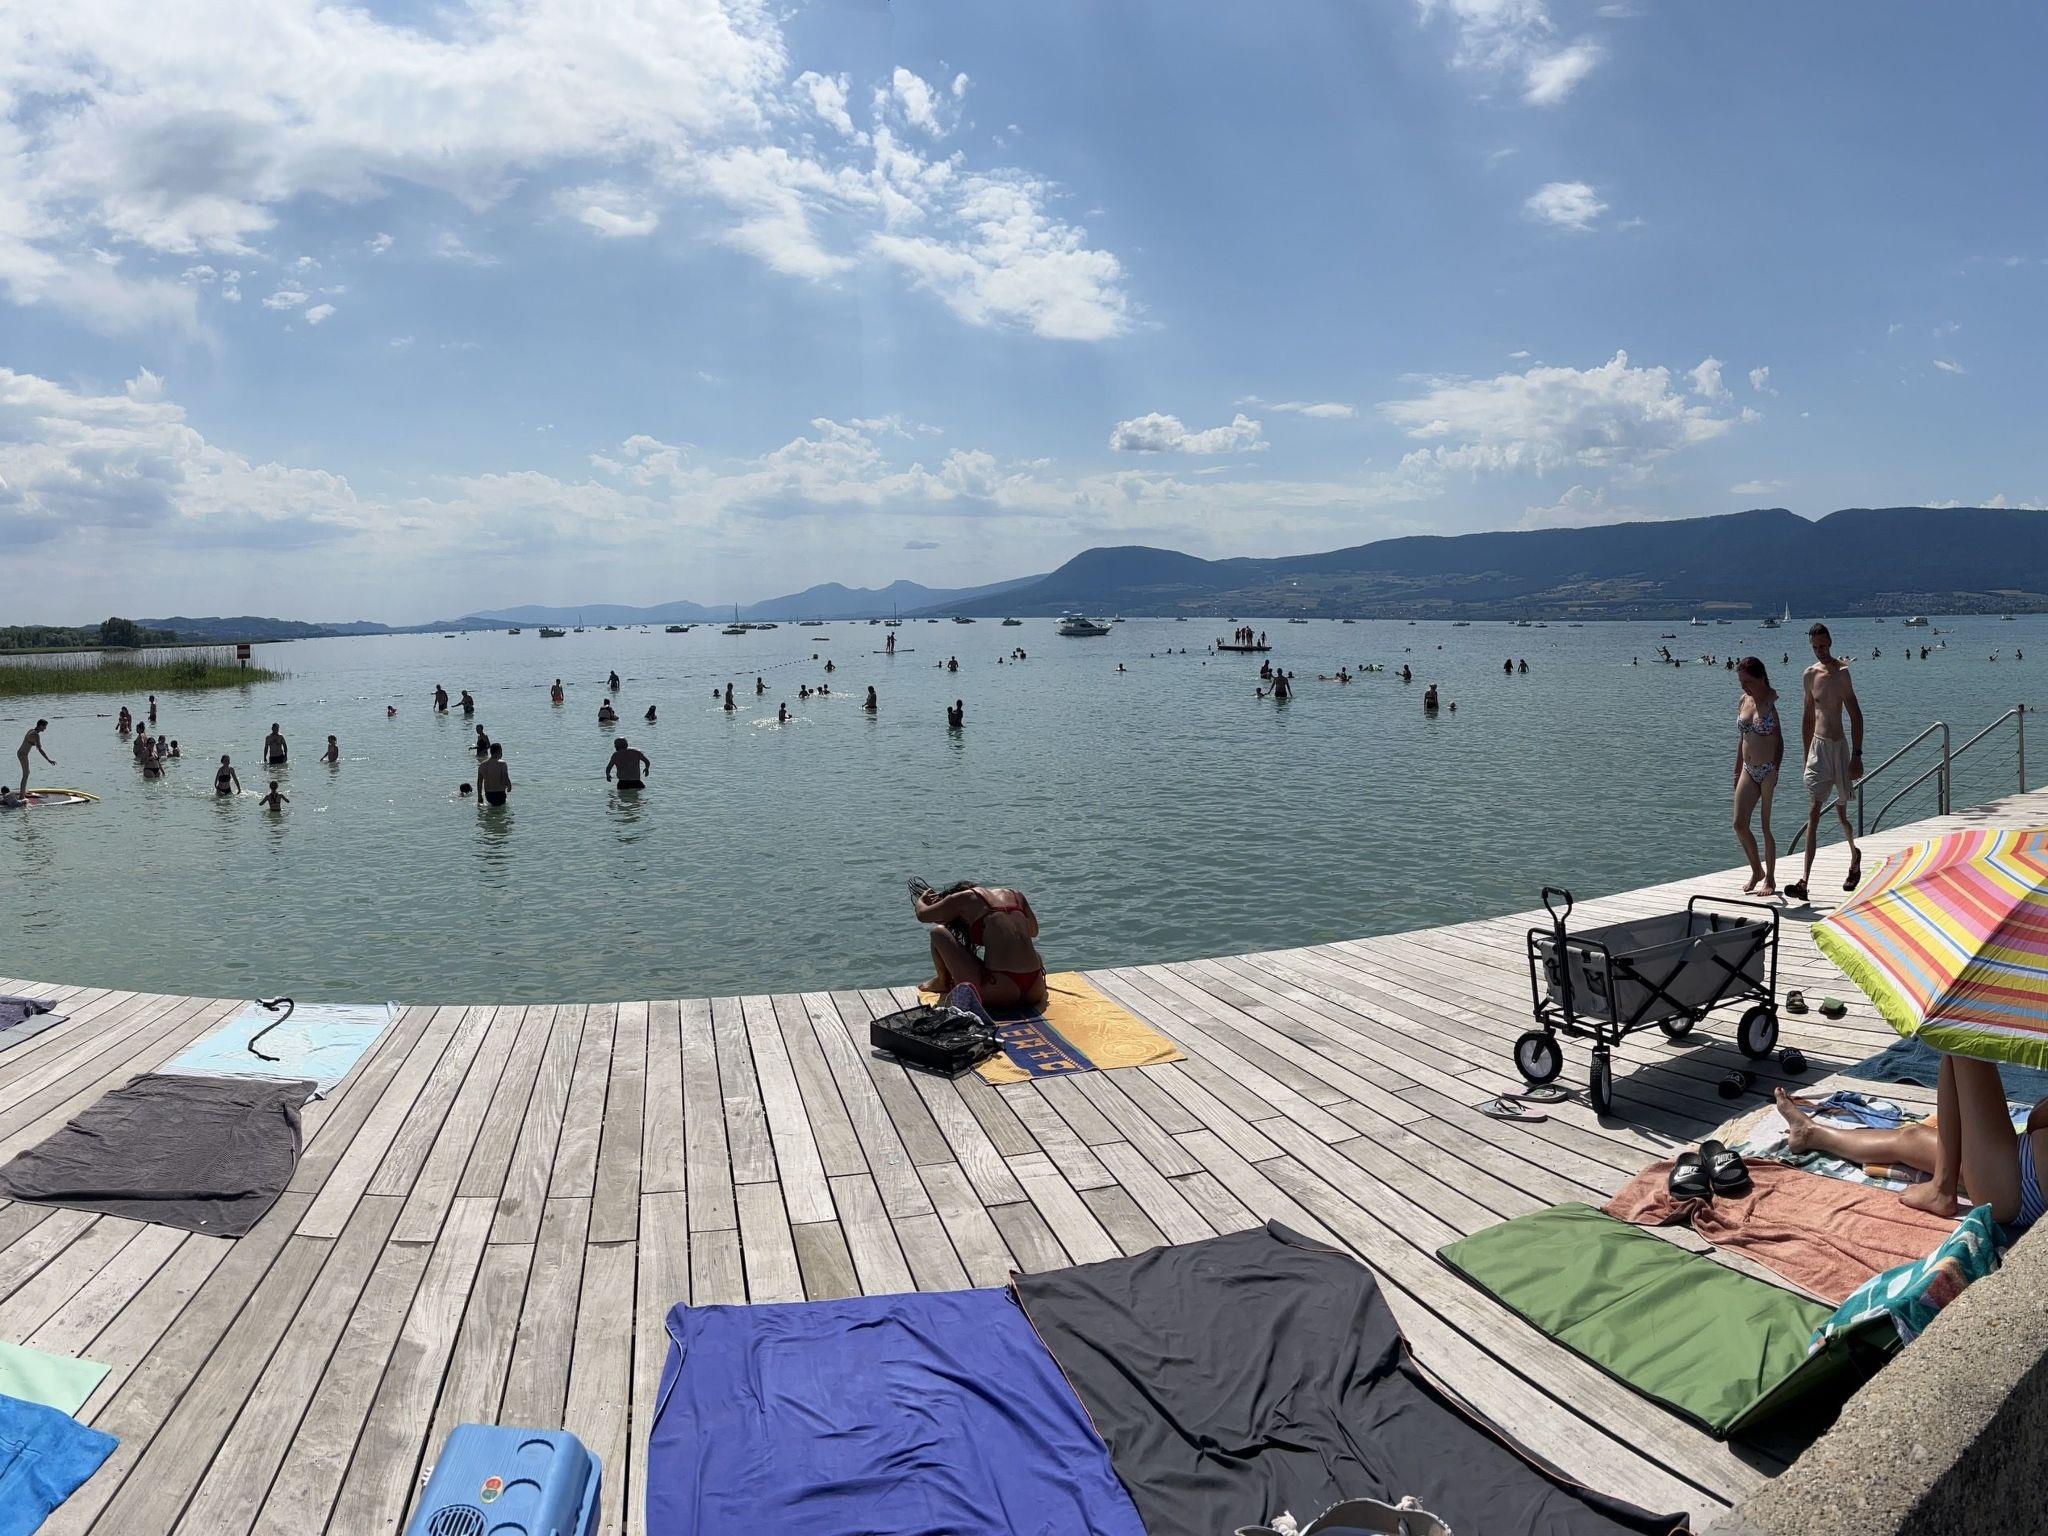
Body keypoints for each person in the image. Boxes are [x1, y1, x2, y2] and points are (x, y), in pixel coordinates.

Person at [1771, 1063, 2048, 1229]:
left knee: (1964, 1035)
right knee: (1912, 1137)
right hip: (2018, 1166)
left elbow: (2036, 1119)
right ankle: (1809, 1133)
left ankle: (1942, 1189)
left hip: (2017, 1187)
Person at [1785, 623, 1865, 902]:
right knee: (1813, 812)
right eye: (1815, 647)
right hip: (1818, 748)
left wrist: (1857, 756)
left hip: (1839, 748)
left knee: (1841, 815)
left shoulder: (1842, 674)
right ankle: (1804, 881)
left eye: (1823, 645)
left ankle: (1854, 856)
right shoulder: (1809, 674)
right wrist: (1806, 754)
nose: (1819, 651)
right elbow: (1808, 717)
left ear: (1830, 642)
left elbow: (1856, 715)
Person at [913, 881, 1048, 1010]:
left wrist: (922, 900)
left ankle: (942, 982)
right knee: (1033, 954)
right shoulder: (1016, 895)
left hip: (999, 991)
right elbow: (1033, 931)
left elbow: (922, 915)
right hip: (1035, 989)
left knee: (938, 933)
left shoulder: (964, 898)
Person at [1732, 656, 1783, 896]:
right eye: (1741, 682)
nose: (1744, 687)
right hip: (1747, 770)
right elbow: (1742, 738)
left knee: (1765, 826)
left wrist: (1775, 769)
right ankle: (1756, 870)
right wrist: (1736, 769)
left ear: (1761, 678)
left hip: (1766, 770)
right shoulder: (1744, 700)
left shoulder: (1770, 702)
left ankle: (1770, 879)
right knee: (1739, 824)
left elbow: (1779, 741)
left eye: (1748, 682)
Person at [16, 720, 52, 794]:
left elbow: (29, 741)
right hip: (22, 754)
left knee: (26, 773)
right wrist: (48, 760)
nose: (45, 729)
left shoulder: (31, 730)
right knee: (26, 774)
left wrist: (35, 744)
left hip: (21, 753)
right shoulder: (36, 735)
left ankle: (23, 791)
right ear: (41, 726)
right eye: (44, 726)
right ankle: (22, 795)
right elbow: (40, 750)